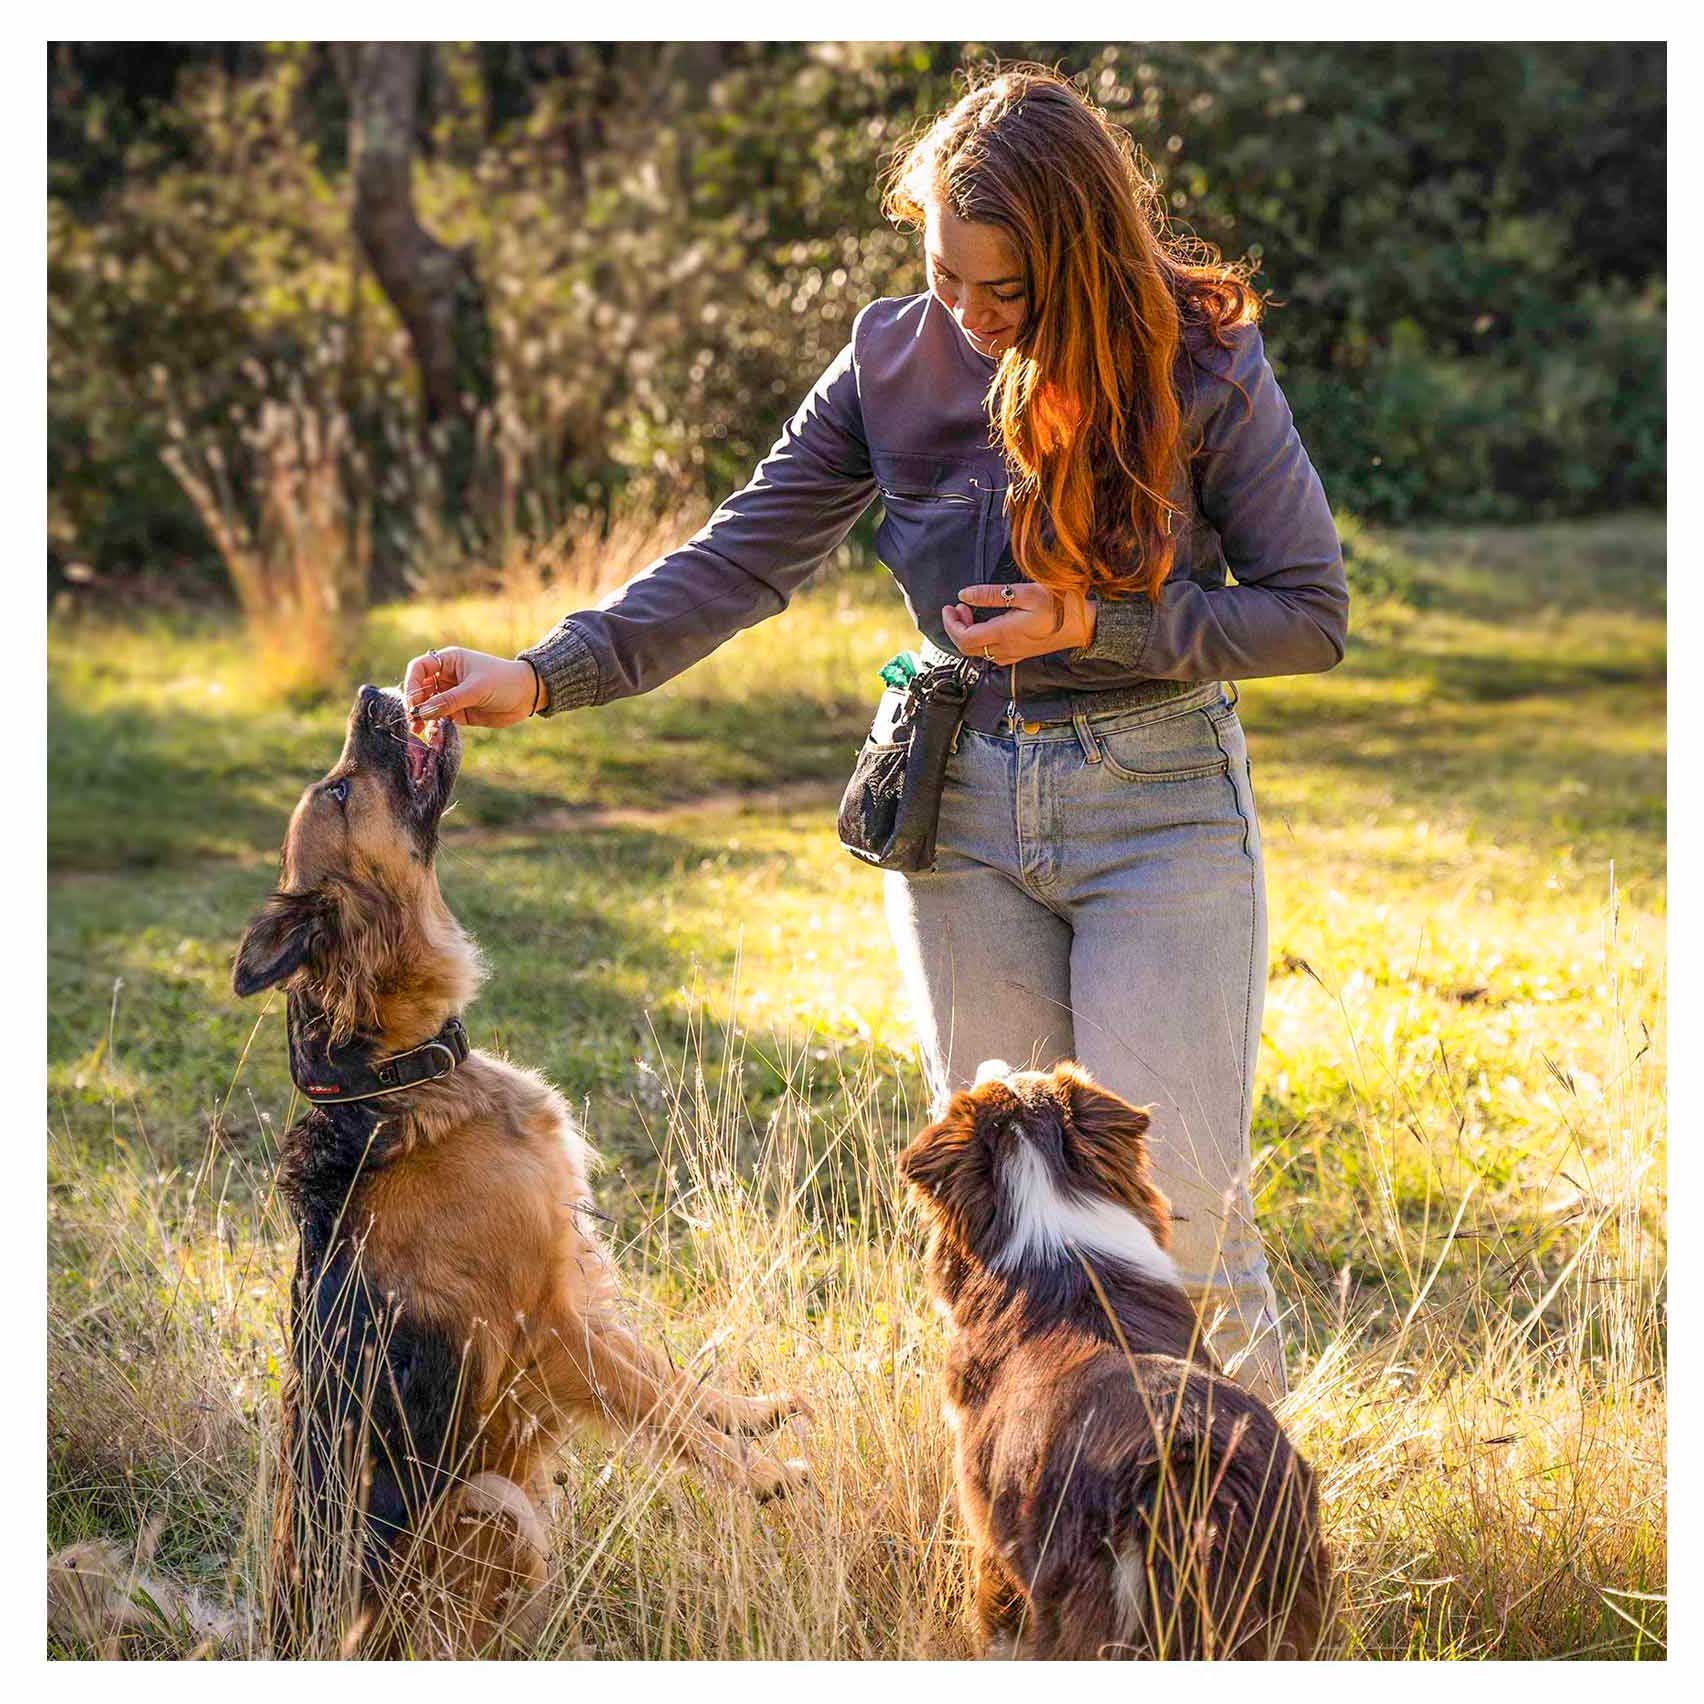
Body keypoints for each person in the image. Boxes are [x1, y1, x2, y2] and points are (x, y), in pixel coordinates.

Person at [404, 67, 1347, 1402]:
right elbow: (742, 556)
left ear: (1078, 256)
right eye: (944, 273)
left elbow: (1309, 614)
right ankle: (1047, 1544)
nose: (966, 314)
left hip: (1163, 811)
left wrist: (1099, 624)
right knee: (1004, 1228)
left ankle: (1236, 1579)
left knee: (1175, 1221)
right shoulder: (893, 360)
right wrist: (545, 674)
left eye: (1003, 290)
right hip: (956, 820)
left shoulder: (1202, 359)